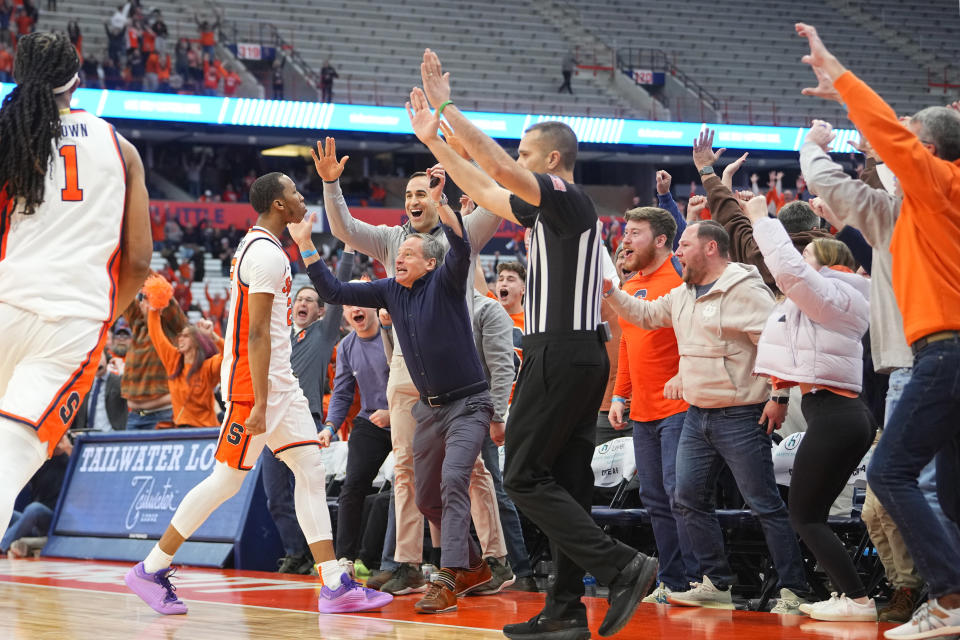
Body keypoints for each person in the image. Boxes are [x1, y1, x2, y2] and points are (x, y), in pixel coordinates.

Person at [409, 49, 658, 638]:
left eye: (526, 155)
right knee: (567, 483)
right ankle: (566, 609)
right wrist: (439, 145)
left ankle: (623, 567)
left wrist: (448, 107)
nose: (514, 164)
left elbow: (495, 166)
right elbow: (489, 189)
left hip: (561, 353)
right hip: (579, 356)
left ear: (550, 160)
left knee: (519, 475)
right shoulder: (549, 213)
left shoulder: (568, 199)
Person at [123, 173, 392, 615]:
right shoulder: (265, 254)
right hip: (255, 387)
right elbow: (257, 334)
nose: (301, 195)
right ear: (279, 204)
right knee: (225, 482)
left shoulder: (263, 245)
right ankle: (151, 568)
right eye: (294, 191)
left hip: (278, 383)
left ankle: (333, 583)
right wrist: (262, 403)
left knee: (308, 471)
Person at [797, 22, 960, 639]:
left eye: (909, 146)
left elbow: (892, 135)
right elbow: (864, 171)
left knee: (890, 472)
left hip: (944, 352)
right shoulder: (918, 206)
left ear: (928, 152)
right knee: (951, 490)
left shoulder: (938, 183)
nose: (892, 153)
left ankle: (949, 597)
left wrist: (838, 75)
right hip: (944, 353)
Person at [290, 168, 497, 614]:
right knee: (425, 496)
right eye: (397, 252)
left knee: (455, 480)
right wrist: (306, 244)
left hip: (468, 402)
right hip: (429, 409)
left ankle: (449, 576)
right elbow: (331, 288)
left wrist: (444, 205)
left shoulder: (445, 281)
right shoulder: (387, 290)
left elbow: (460, 247)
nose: (398, 257)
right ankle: (476, 565)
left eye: (408, 253)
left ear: (429, 263)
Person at [602, 218, 811, 613]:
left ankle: (794, 589)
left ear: (710, 248)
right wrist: (612, 291)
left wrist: (779, 394)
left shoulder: (744, 289)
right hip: (698, 415)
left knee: (763, 502)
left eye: (684, 244)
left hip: (741, 415)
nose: (678, 252)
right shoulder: (684, 293)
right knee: (686, 498)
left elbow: (774, 343)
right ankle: (716, 583)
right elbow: (646, 316)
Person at [0, 32, 151, 545]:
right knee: (9, 461)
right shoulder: (121, 149)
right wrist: (106, 317)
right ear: (77, 77)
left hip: (5, 302)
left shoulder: (7, 137)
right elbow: (139, 260)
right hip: (73, 322)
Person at [800, 120, 923, 623]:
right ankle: (907, 588)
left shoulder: (846, 289)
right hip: (888, 394)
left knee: (916, 495)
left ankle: (932, 592)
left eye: (812, 252)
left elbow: (875, 200)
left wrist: (827, 151)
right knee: (878, 507)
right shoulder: (874, 270)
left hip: (918, 373)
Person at [743, 194, 876, 620]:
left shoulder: (835, 291)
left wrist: (762, 220)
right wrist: (779, 393)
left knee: (805, 515)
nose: (801, 257)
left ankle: (857, 599)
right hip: (839, 415)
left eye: (807, 253)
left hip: (837, 416)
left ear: (827, 258)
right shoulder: (824, 299)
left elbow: (787, 270)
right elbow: (789, 344)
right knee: (810, 513)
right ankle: (849, 595)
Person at [606, 207, 697, 606]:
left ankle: (699, 581)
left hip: (679, 406)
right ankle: (672, 581)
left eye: (635, 233)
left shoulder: (680, 279)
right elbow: (628, 342)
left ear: (661, 241)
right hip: (641, 410)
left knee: (682, 497)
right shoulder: (632, 283)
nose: (625, 240)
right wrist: (620, 395)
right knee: (656, 499)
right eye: (626, 232)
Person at [265, 253, 351, 576]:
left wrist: (348, 252)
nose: (303, 303)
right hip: (272, 423)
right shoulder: (281, 339)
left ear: (320, 311)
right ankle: (296, 552)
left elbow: (336, 290)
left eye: (310, 300)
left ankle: (319, 559)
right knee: (276, 498)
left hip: (306, 422)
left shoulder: (324, 333)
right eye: (299, 298)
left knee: (306, 494)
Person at [695, 128, 831, 293]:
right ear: (816, 227)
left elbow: (731, 219)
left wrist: (707, 169)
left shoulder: (758, 255)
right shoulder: (840, 252)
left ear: (781, 229)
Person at [323, 296, 392, 572]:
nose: (355, 308)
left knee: (415, 488)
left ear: (375, 306)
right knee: (352, 486)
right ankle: (345, 560)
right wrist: (330, 426)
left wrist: (394, 413)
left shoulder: (394, 333)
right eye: (348, 305)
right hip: (370, 421)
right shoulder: (346, 347)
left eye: (360, 302)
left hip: (407, 417)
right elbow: (341, 393)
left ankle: (432, 562)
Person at [144, 297, 223, 429]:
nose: (180, 339)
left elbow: (231, 356)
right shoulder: (173, 360)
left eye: (185, 336)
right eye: (180, 336)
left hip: (206, 431)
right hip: (181, 431)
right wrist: (154, 307)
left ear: (197, 341)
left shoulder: (208, 366)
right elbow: (156, 334)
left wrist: (213, 337)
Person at [69, 352, 127, 432]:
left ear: (107, 358)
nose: (96, 362)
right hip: (86, 436)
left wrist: (121, 370)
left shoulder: (117, 381)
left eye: (99, 356)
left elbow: (130, 392)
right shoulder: (83, 384)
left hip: (111, 435)